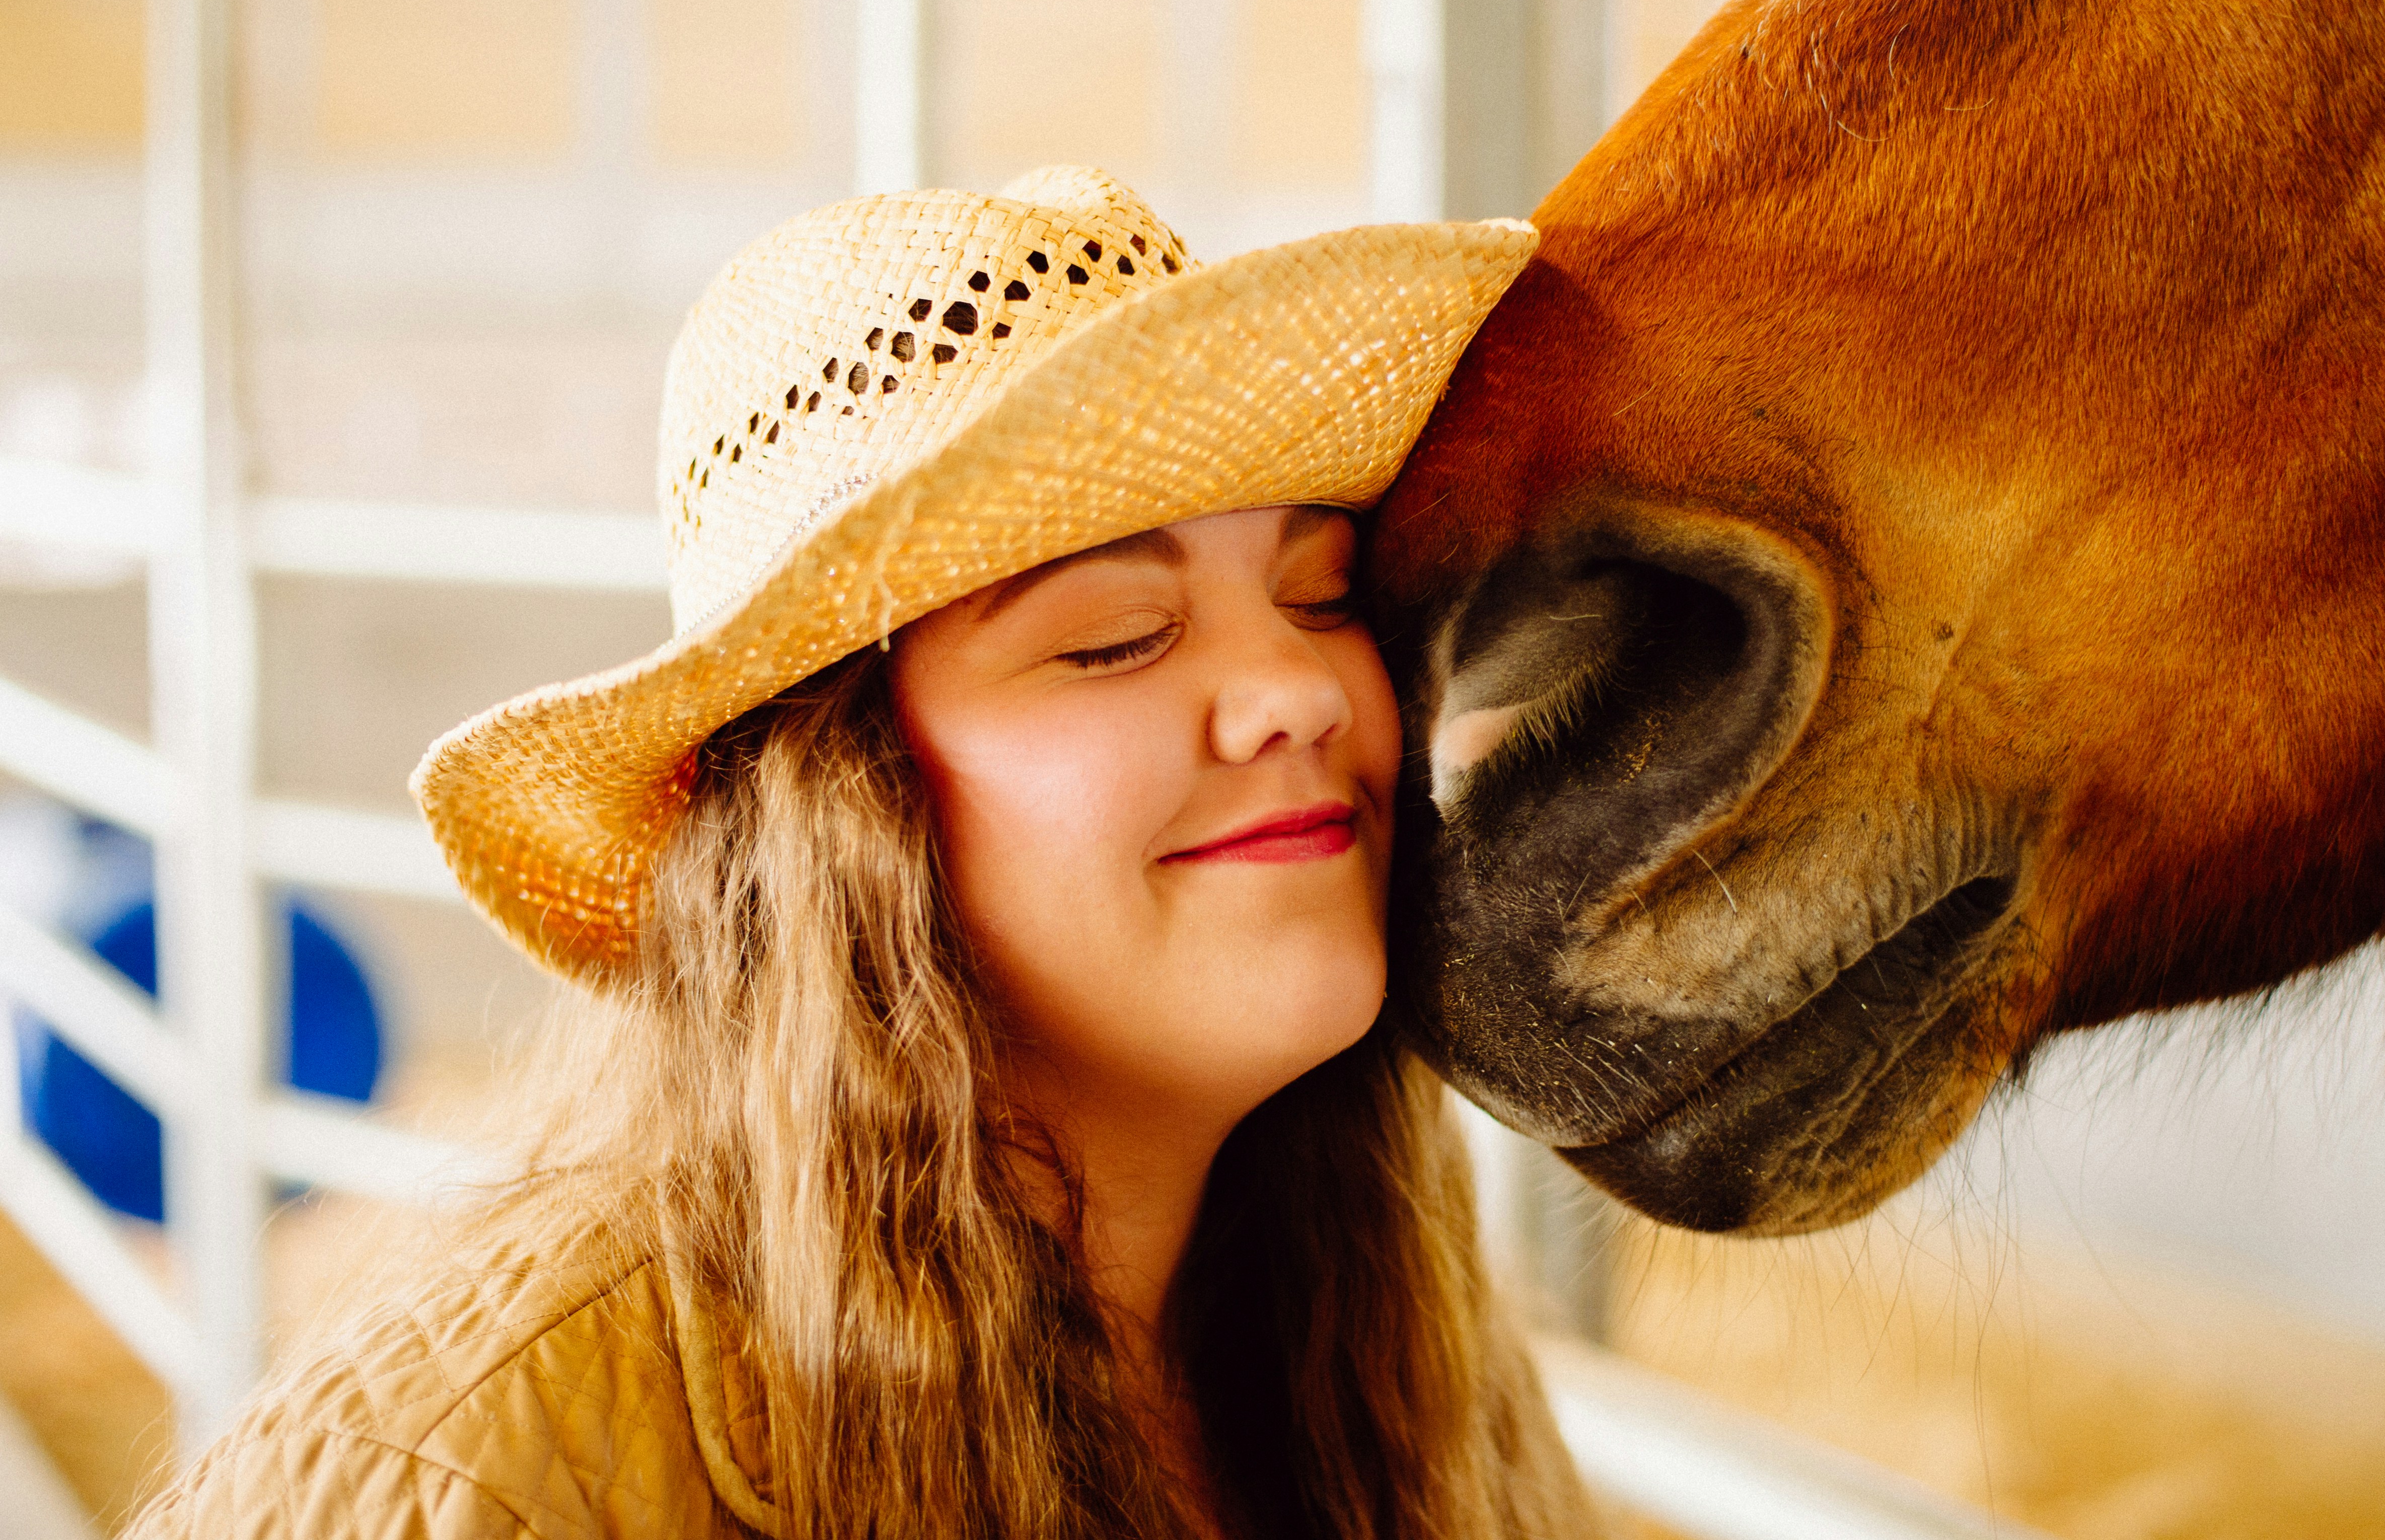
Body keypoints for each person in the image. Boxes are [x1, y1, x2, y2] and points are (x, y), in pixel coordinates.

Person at [131, 167, 1594, 1538]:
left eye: (1321, 593)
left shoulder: (1410, 1325)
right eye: (1112, 640)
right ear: (838, 807)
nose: (1302, 691)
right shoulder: (450, 1479)